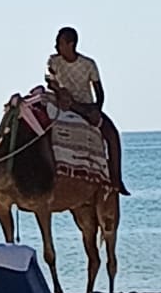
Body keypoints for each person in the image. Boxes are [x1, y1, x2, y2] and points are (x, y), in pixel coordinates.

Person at [46, 26, 130, 196]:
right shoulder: (54, 61)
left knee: (112, 134)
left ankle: (116, 179)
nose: (56, 47)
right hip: (62, 102)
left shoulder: (88, 64)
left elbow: (99, 92)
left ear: (71, 44)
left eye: (60, 43)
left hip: (85, 106)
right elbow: (50, 81)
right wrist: (60, 91)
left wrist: (96, 110)